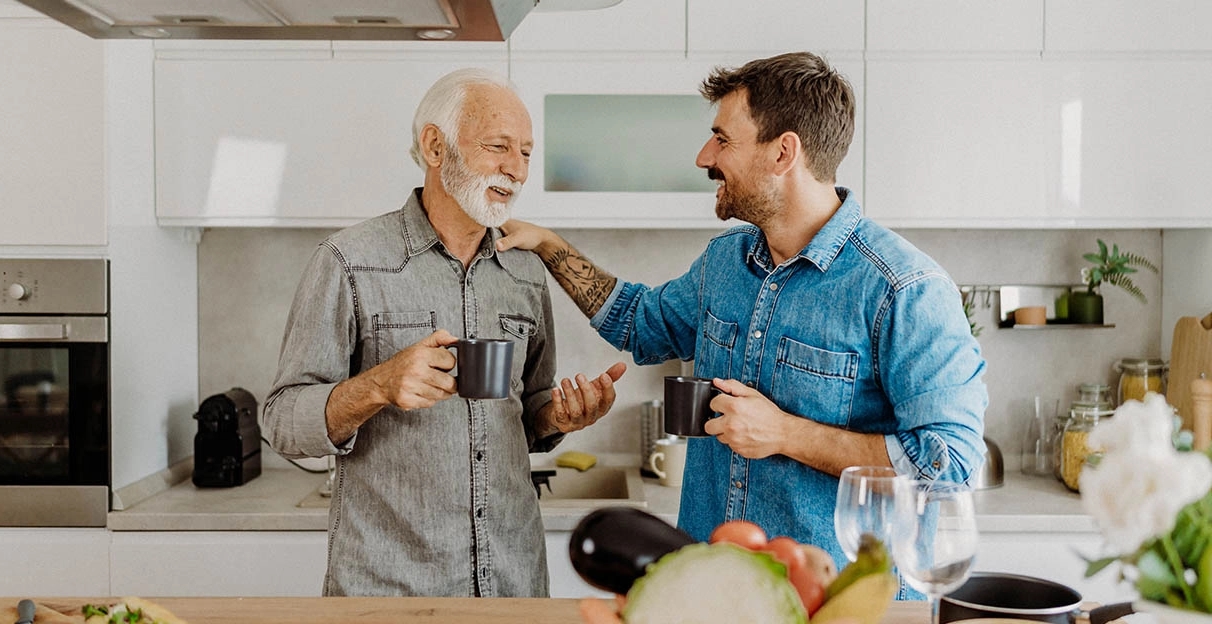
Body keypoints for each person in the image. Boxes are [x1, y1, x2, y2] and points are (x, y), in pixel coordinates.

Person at [497, 51, 988, 595]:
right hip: (712, 591)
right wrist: (549, 245)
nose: (705, 156)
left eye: (723, 139)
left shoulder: (903, 289)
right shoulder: (725, 262)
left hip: (833, 603)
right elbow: (639, 322)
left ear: (783, 152)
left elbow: (949, 466)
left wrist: (785, 433)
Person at [263, 67, 627, 598]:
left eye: (526, 152)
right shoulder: (348, 262)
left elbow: (526, 413)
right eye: (498, 146)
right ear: (435, 146)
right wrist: (380, 385)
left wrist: (560, 416)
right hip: (389, 592)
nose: (516, 170)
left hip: (511, 585)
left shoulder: (524, 269)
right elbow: (282, 421)